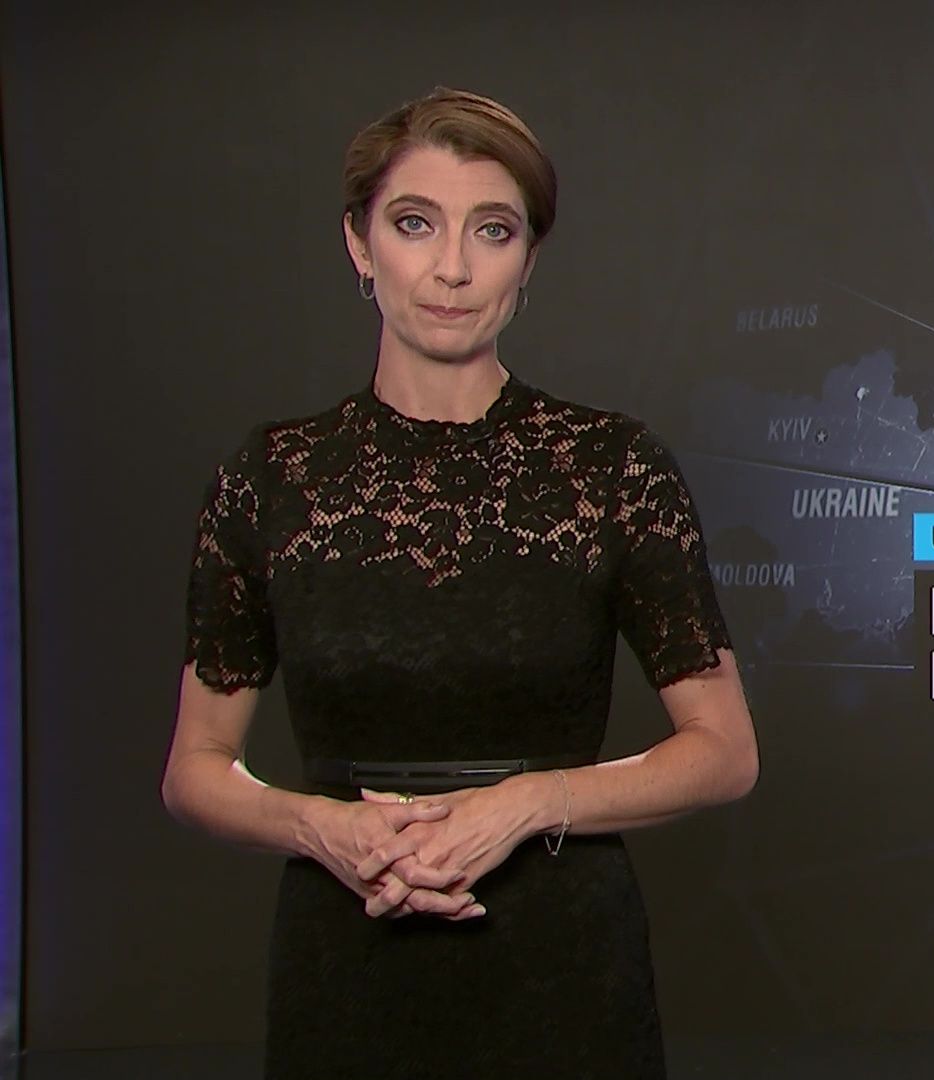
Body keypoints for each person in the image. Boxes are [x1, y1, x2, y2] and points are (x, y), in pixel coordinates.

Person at [158, 87, 757, 1079]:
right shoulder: (270, 478)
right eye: (414, 224)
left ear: (529, 262)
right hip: (345, 959)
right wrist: (322, 826)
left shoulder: (612, 467)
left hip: (564, 968)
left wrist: (523, 805)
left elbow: (724, 752)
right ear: (359, 244)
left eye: (493, 230)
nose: (452, 268)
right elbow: (196, 767)